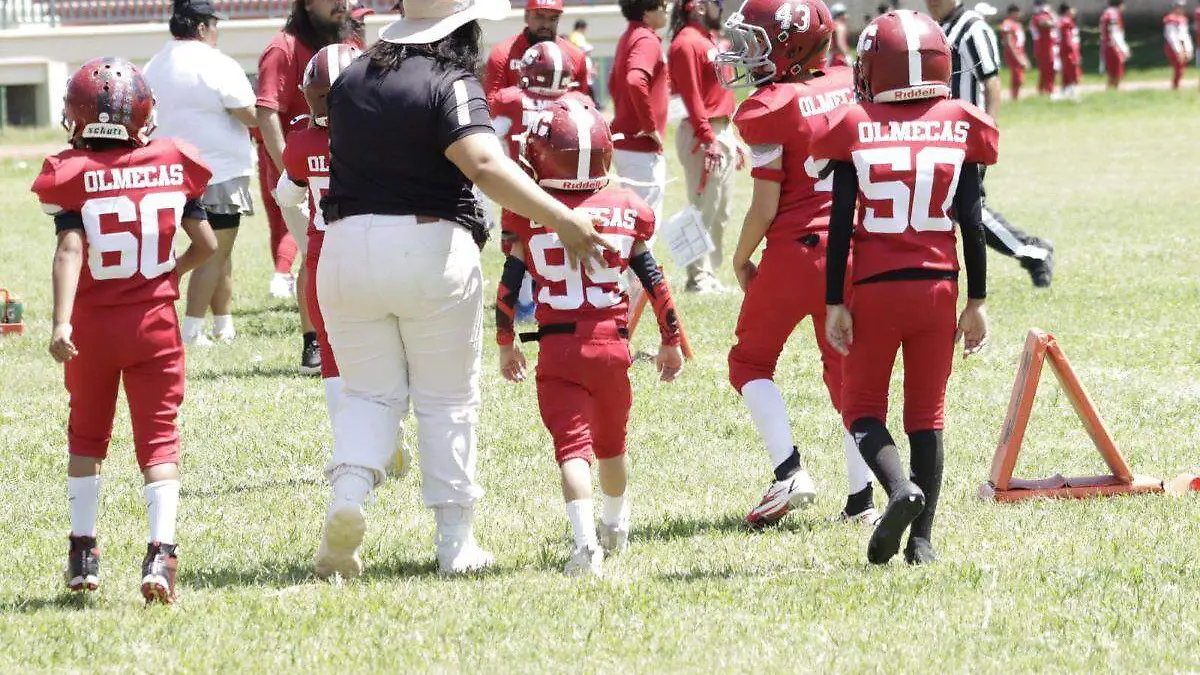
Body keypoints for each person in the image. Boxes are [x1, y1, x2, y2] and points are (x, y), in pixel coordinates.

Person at [311, 0, 611, 580]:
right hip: (429, 248)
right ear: (461, 27)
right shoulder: (451, 80)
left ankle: (348, 497)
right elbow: (481, 161)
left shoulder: (348, 78)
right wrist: (563, 218)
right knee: (446, 401)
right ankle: (456, 542)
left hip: (344, 250)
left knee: (369, 396)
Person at [814, 10, 997, 565]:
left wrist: (833, 302)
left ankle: (899, 491)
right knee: (928, 414)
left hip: (877, 288)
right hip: (939, 289)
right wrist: (978, 300)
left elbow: (840, 225)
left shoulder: (855, 123)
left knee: (862, 407)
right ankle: (923, 542)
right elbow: (973, 220)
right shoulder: (960, 121)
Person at [32, 58, 217, 602]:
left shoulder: (72, 171)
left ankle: (83, 549)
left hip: (90, 328)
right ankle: (161, 555)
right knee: (158, 438)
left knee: (87, 435)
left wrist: (61, 321)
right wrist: (169, 273)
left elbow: (69, 248)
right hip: (154, 325)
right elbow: (206, 246)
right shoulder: (173, 160)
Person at [496, 100, 684, 576]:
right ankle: (615, 526)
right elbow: (654, 279)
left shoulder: (527, 212)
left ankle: (585, 547)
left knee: (571, 451)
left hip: (559, 348)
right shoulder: (626, 208)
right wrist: (670, 338)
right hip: (612, 345)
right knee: (612, 447)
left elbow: (507, 286)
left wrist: (505, 342)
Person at [716, 0, 879, 528]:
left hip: (796, 252)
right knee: (848, 380)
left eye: (755, 44)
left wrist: (741, 258)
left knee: (750, 362)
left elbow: (765, 206)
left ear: (789, 45)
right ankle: (862, 499)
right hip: (852, 251)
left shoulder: (769, 107)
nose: (744, 55)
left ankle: (789, 470)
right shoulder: (846, 82)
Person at [144, 0, 257, 346]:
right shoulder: (216, 63)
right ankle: (192, 330)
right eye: (215, 25)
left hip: (169, 173)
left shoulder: (153, 65)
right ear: (203, 27)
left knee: (220, 252)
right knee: (215, 251)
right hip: (218, 173)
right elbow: (248, 112)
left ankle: (223, 323)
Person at [927, 0, 1053, 288]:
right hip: (944, 136)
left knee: (968, 209)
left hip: (967, 137)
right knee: (956, 209)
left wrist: (987, 133)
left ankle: (1034, 252)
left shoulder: (972, 27)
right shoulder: (939, 28)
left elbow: (991, 83)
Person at [256, 0, 347, 373]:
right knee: (315, 253)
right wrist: (292, 172)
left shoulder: (346, 42)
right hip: (305, 170)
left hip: (343, 162)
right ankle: (313, 342)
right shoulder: (284, 47)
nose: (342, 4)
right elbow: (266, 110)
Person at [274, 44, 362, 424]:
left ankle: (348, 439)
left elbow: (286, 196)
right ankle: (385, 430)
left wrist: (308, 237)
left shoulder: (301, 141)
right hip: (377, 249)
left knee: (330, 350)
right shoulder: (387, 136)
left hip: (325, 253)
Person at [668, 0, 741, 293]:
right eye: (716, 3)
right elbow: (690, 97)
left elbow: (716, 93)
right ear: (697, 6)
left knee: (721, 209)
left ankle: (709, 275)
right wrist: (708, 137)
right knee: (702, 208)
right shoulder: (686, 43)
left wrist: (730, 135)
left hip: (720, 128)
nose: (720, 8)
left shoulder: (705, 39)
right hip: (704, 132)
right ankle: (696, 277)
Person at [610, 0, 670, 221]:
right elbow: (635, 80)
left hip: (627, 144)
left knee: (632, 220)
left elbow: (612, 83)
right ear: (646, 12)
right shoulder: (646, 38)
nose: (667, 10)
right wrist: (649, 126)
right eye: (662, 6)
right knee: (645, 223)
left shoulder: (629, 36)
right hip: (640, 147)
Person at [483, 0, 590, 105]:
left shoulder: (576, 56)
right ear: (526, 16)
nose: (546, 25)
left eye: (553, 18)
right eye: (539, 17)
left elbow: (582, 108)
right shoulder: (502, 54)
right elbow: (492, 106)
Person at [1029, 1, 1059, 97]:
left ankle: (1047, 88)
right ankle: (1045, 89)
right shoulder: (1037, 17)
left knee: (1052, 68)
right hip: (1043, 47)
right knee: (1046, 69)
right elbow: (1047, 24)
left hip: (1050, 46)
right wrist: (1051, 15)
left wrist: (1051, 14)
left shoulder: (1047, 15)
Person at [999, 4, 1029, 100]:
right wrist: (1017, 56)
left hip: (1020, 52)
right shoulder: (1007, 23)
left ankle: (1016, 95)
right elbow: (1008, 42)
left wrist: (1024, 56)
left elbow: (1021, 42)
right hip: (1013, 53)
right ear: (1013, 13)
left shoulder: (1018, 24)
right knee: (1017, 76)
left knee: (1020, 76)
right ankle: (1014, 96)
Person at [1099, 0, 1130, 89]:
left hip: (1107, 45)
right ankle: (1114, 90)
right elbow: (1115, 33)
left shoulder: (1106, 13)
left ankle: (1112, 90)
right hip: (1113, 46)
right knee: (1116, 73)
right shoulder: (1113, 14)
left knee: (1113, 73)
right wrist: (1124, 48)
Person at [1164, 1, 1194, 90]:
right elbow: (1171, 36)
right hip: (1173, 46)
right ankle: (1175, 85)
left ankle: (1177, 84)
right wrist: (1178, 50)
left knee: (1182, 67)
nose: (1181, 9)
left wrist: (1188, 49)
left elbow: (1185, 35)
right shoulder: (1170, 19)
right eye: (1178, 7)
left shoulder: (1183, 19)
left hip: (1182, 44)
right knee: (1178, 66)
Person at [1058, 3, 1081, 99]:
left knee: (1066, 75)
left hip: (1065, 51)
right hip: (1069, 52)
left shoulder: (1063, 21)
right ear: (1067, 11)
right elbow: (1068, 40)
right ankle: (1073, 95)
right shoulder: (1066, 22)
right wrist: (1075, 54)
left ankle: (1063, 94)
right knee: (1073, 73)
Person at [827, 3, 852, 68]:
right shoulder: (840, 26)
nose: (847, 16)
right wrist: (847, 56)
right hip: (840, 57)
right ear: (840, 15)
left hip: (833, 57)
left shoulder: (833, 25)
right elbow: (840, 43)